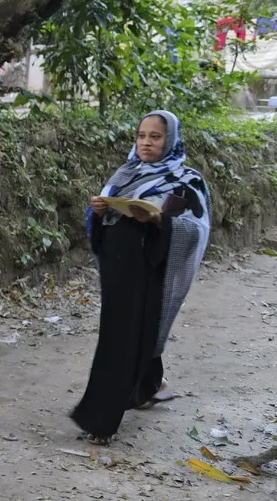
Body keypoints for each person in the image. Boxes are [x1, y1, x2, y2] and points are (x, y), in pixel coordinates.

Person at [72, 110, 210, 445]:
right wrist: (99, 210)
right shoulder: (126, 172)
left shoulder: (186, 180)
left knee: (122, 341)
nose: (146, 143)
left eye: (155, 136)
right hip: (118, 269)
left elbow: (196, 229)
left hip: (150, 272)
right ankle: (149, 387)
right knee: (133, 335)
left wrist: (158, 221)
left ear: (171, 140)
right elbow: (101, 223)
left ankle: (102, 421)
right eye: (141, 135)